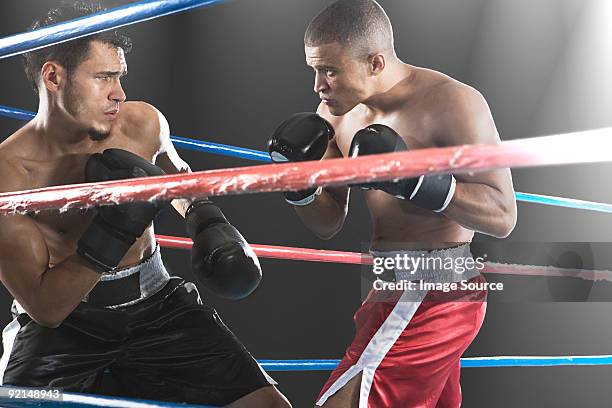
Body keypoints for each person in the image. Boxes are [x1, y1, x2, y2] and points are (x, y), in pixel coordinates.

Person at [0, 3, 290, 407]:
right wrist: (116, 229)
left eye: (120, 77)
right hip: (67, 327)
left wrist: (207, 221)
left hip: (158, 308)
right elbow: (47, 307)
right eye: (104, 77)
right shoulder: (9, 176)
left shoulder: (142, 123)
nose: (119, 93)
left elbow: (177, 179)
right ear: (53, 76)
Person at [268, 1, 517, 407]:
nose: (318, 85)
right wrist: (299, 186)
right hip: (384, 286)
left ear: (376, 62)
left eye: (330, 70)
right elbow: (328, 222)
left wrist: (422, 184)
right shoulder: (335, 115)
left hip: (438, 288)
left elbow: (503, 215)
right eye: (314, 70)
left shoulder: (451, 103)